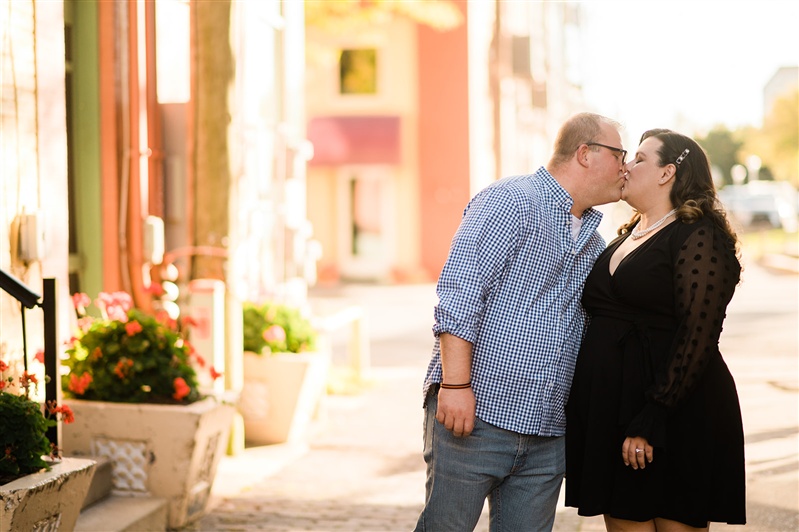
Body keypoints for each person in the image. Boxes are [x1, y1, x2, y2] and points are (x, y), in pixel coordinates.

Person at [414, 112, 627, 532]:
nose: (625, 166)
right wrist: (455, 386)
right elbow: (460, 291)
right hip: (476, 418)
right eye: (619, 154)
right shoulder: (512, 200)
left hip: (547, 434)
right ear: (585, 154)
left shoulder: (593, 239)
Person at [565, 129, 746, 531]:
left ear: (668, 173)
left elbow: (698, 335)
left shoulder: (699, 235)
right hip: (614, 408)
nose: (626, 165)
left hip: (672, 411)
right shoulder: (627, 235)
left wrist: (653, 418)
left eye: (639, 159)